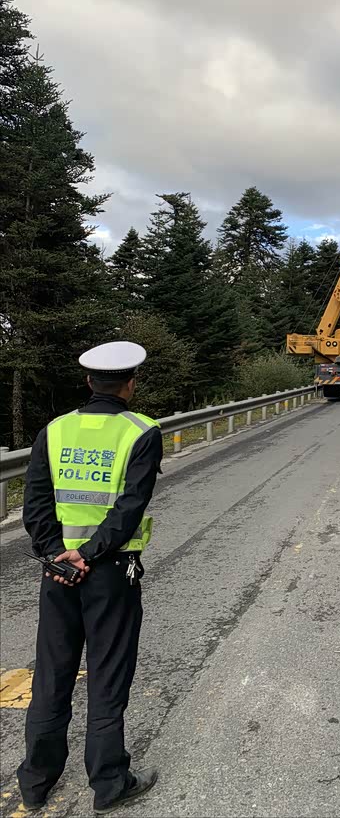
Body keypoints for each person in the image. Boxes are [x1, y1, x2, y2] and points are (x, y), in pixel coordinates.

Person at [18, 341, 161, 815]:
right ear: (130, 383)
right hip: (110, 573)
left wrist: (56, 555)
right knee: (108, 674)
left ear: (88, 382)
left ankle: (35, 782)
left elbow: (36, 501)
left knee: (52, 674)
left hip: (57, 574)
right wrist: (88, 554)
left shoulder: (55, 430)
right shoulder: (142, 431)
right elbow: (129, 508)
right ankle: (109, 782)